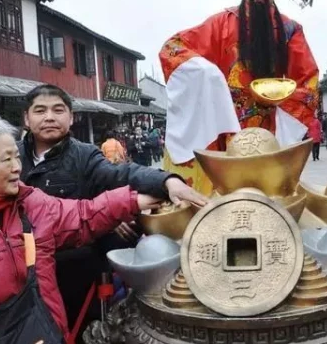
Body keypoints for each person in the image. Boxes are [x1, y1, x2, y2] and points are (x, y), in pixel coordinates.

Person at [18, 84, 207, 341]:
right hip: (19, 273)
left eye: (58, 110)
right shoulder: (12, 158)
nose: (49, 117)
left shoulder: (84, 155)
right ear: (27, 119)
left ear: (72, 118)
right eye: (40, 111)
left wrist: (167, 182)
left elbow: (122, 174)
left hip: (75, 272)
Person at [0, 118, 166, 343]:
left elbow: (83, 215)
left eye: (16, 157)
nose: (17, 167)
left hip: (46, 332)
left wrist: (136, 200)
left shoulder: (29, 203)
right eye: (6, 159)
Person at [159, 0, 318, 195]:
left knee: (268, 196)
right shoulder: (221, 24)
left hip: (270, 129)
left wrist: (279, 96)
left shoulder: (290, 30)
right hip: (225, 127)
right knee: (226, 196)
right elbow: (173, 48)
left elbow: (308, 82)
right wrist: (209, 75)